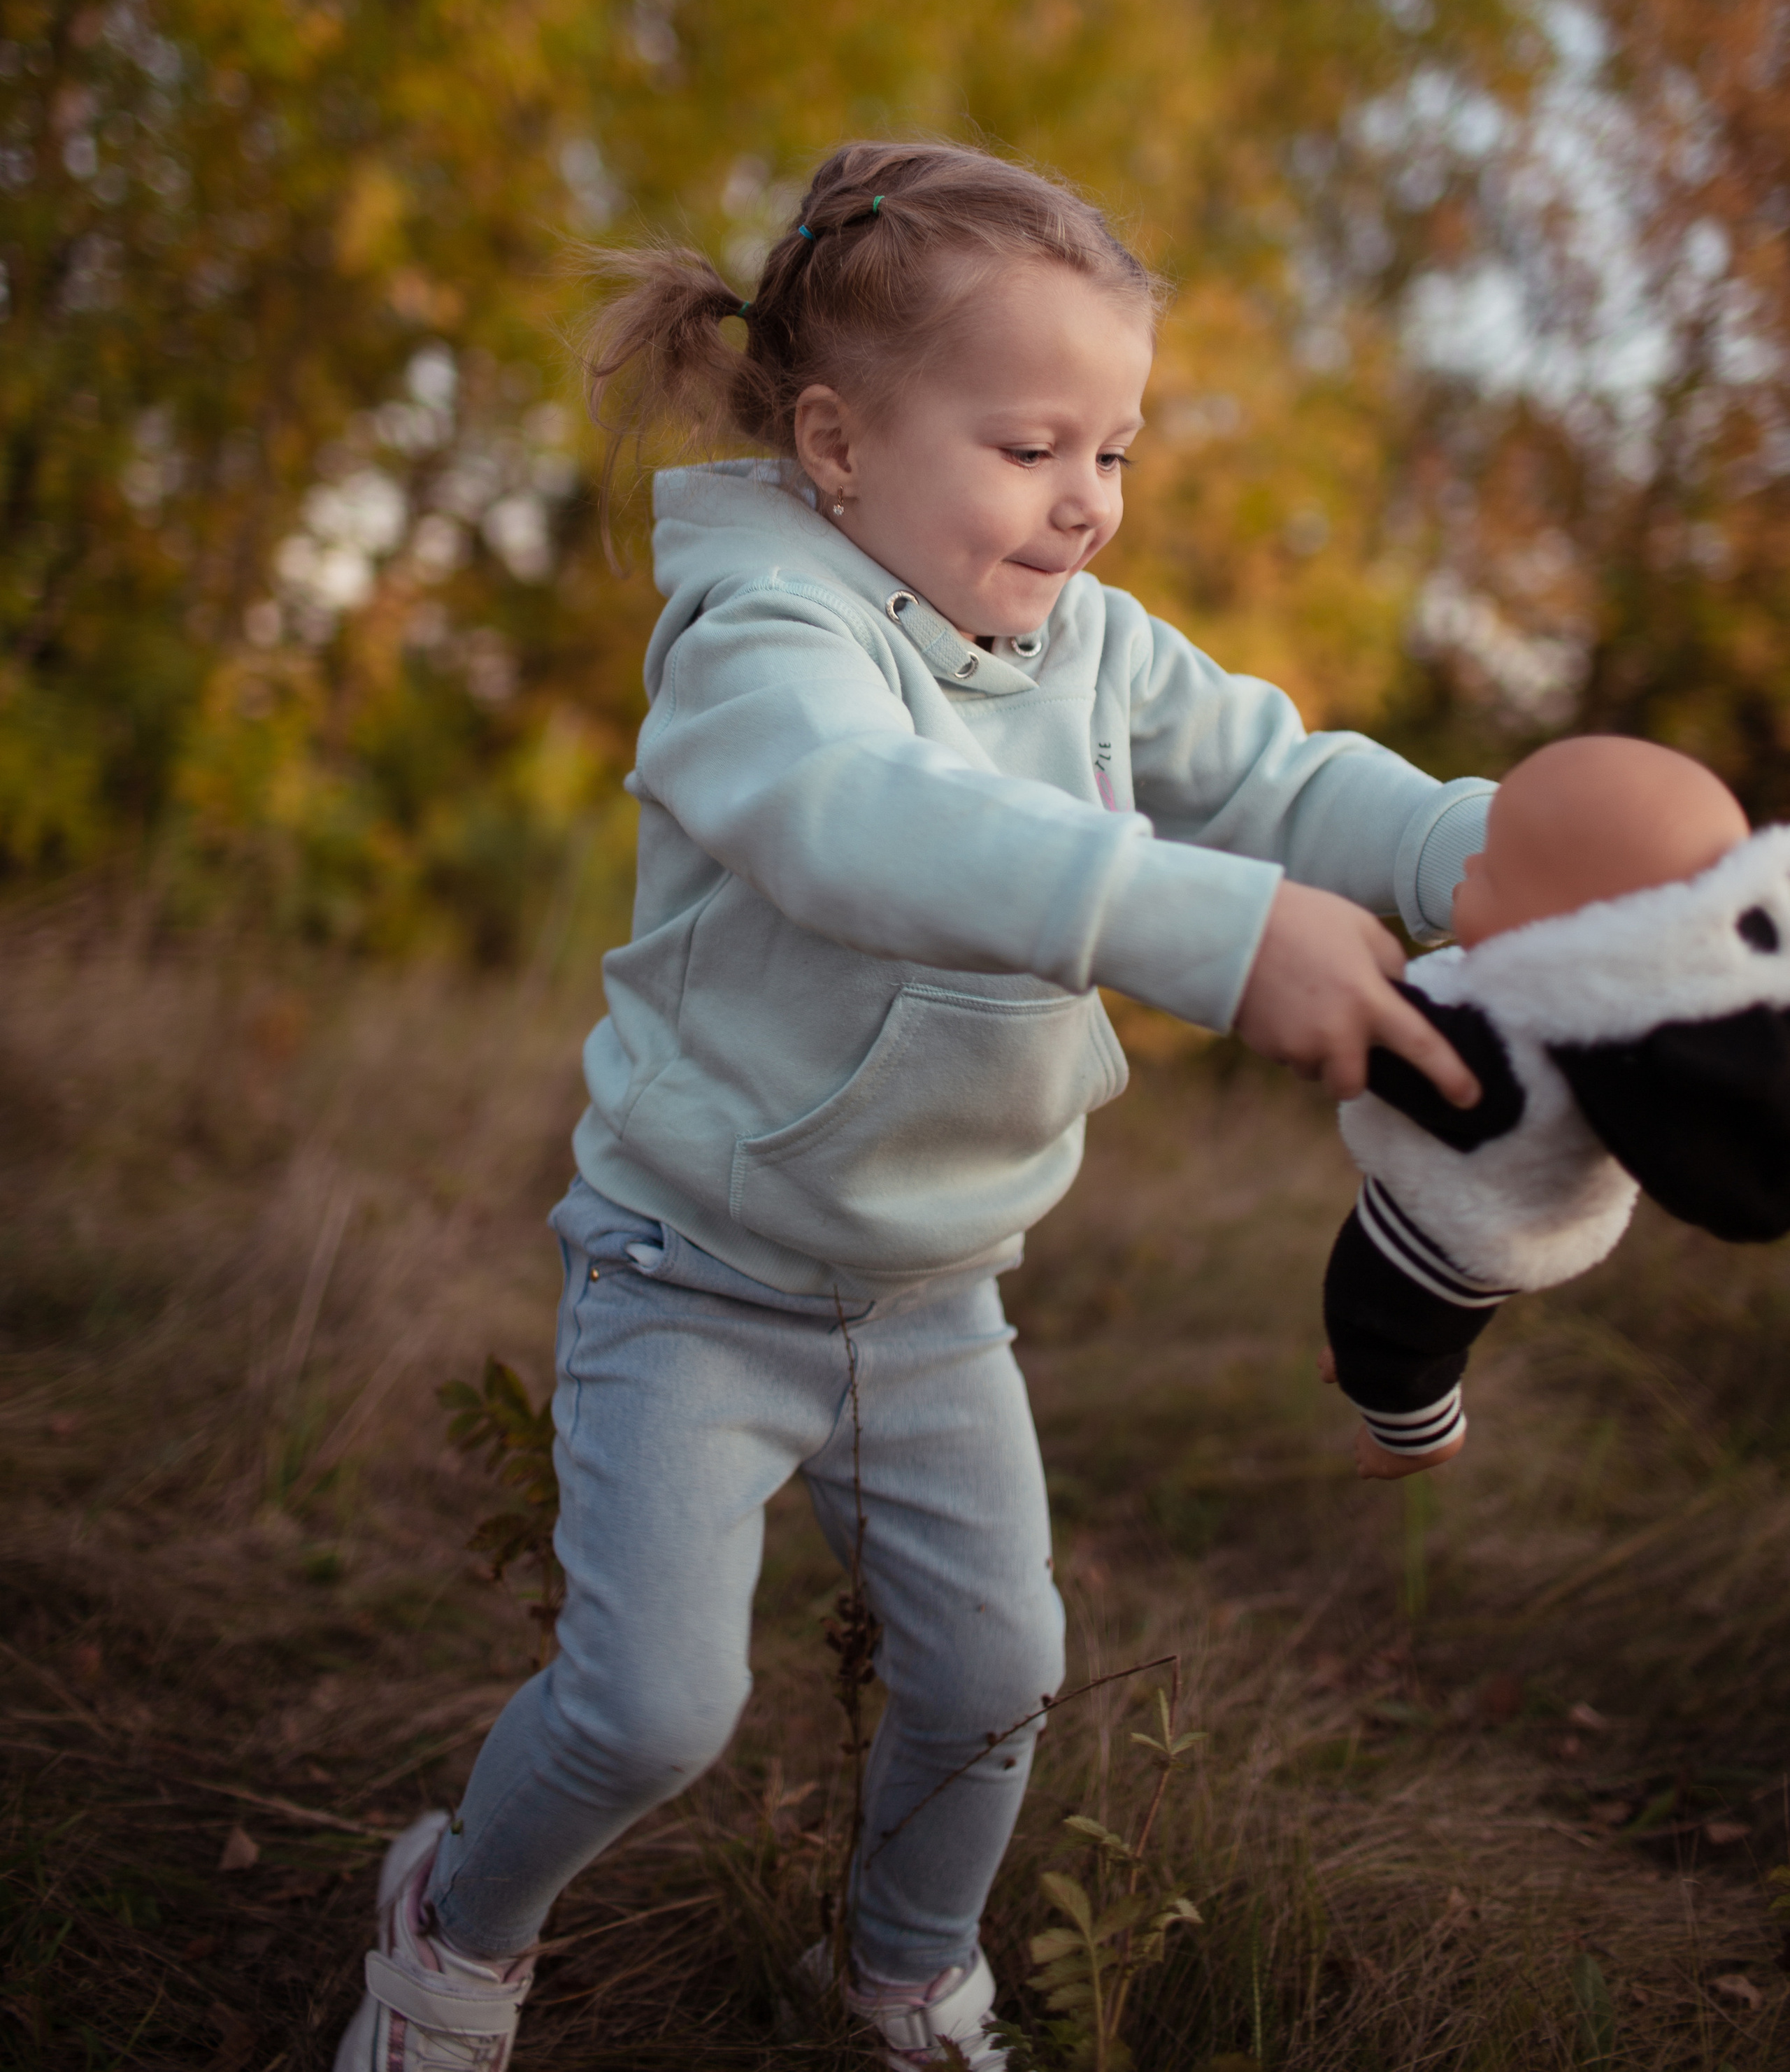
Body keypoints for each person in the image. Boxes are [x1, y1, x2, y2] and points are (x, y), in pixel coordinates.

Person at [334, 138, 1495, 2072]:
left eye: (1116, 450)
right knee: (648, 1706)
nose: (1089, 507)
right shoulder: (760, 643)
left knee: (994, 1678)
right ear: (841, 445)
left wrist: (1481, 854)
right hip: (691, 1271)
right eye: (1034, 445)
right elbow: (873, 826)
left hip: (934, 1297)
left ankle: (895, 1977)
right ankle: (451, 1933)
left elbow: (1283, 783)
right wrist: (1198, 930)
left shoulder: (1095, 650)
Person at [1321, 735, 1790, 1480]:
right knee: (1388, 1314)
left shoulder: (1508, 1059)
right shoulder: (1608, 1009)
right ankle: (1382, 1347)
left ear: (1564, 935)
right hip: (1489, 1201)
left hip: (1457, 1231)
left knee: (1374, 1315)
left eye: (1494, 868)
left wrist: (1339, 992)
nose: (1469, 861)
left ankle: (1412, 1428)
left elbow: (1385, 1044)